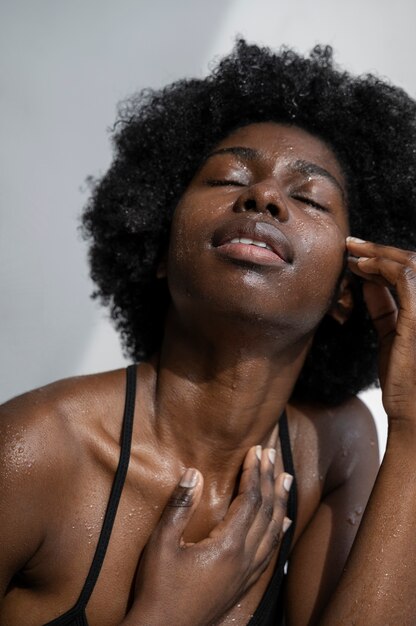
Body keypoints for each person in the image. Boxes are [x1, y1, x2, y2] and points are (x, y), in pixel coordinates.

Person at [1, 39, 416, 626]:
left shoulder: (335, 449)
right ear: (159, 247)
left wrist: (415, 425)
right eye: (228, 178)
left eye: (308, 198)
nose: (264, 196)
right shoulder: (31, 452)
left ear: (347, 293)